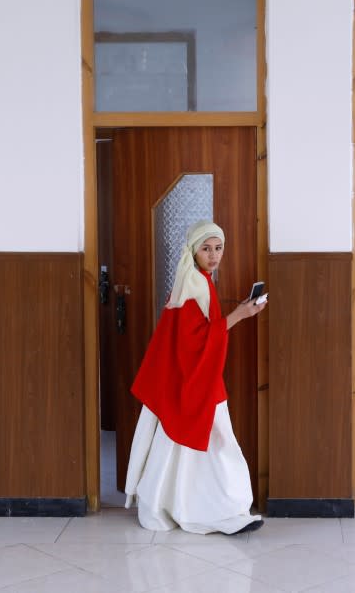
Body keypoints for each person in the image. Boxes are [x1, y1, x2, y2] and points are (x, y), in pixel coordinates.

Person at [124, 220, 267, 535]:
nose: (214, 255)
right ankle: (225, 510)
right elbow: (194, 342)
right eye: (206, 248)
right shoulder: (194, 283)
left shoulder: (198, 279)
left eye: (218, 248)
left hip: (199, 378)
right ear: (194, 250)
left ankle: (207, 507)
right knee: (217, 445)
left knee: (194, 447)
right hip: (197, 379)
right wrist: (240, 315)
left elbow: (200, 335)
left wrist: (240, 311)